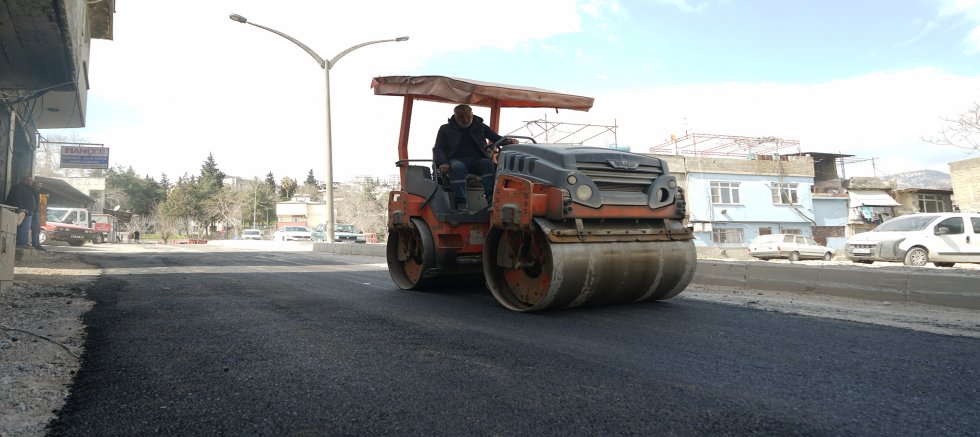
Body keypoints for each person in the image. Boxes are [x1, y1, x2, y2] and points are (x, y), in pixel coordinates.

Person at [432, 104, 513, 212]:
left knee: (487, 164)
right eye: (461, 117)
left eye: (468, 116)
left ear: (472, 114)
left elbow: (496, 138)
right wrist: (443, 162)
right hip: (456, 159)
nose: (465, 120)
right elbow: (438, 148)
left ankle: (491, 199)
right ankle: (460, 201)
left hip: (477, 160)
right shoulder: (445, 129)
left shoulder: (480, 126)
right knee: (457, 167)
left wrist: (509, 141)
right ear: (455, 117)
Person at [5, 176, 36, 248]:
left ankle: (23, 244)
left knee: (25, 229)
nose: (29, 181)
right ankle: (20, 245)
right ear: (23, 180)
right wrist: (20, 208)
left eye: (31, 180)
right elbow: (17, 198)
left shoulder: (30, 189)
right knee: (21, 228)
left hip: (28, 212)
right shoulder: (17, 187)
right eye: (27, 180)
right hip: (21, 211)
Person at [30, 180, 46, 251]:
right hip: (31, 213)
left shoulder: (36, 192)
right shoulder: (31, 192)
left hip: (34, 213)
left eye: (39, 187)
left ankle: (36, 243)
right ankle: (36, 244)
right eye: (36, 186)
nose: (37, 188)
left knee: (37, 229)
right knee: (35, 229)